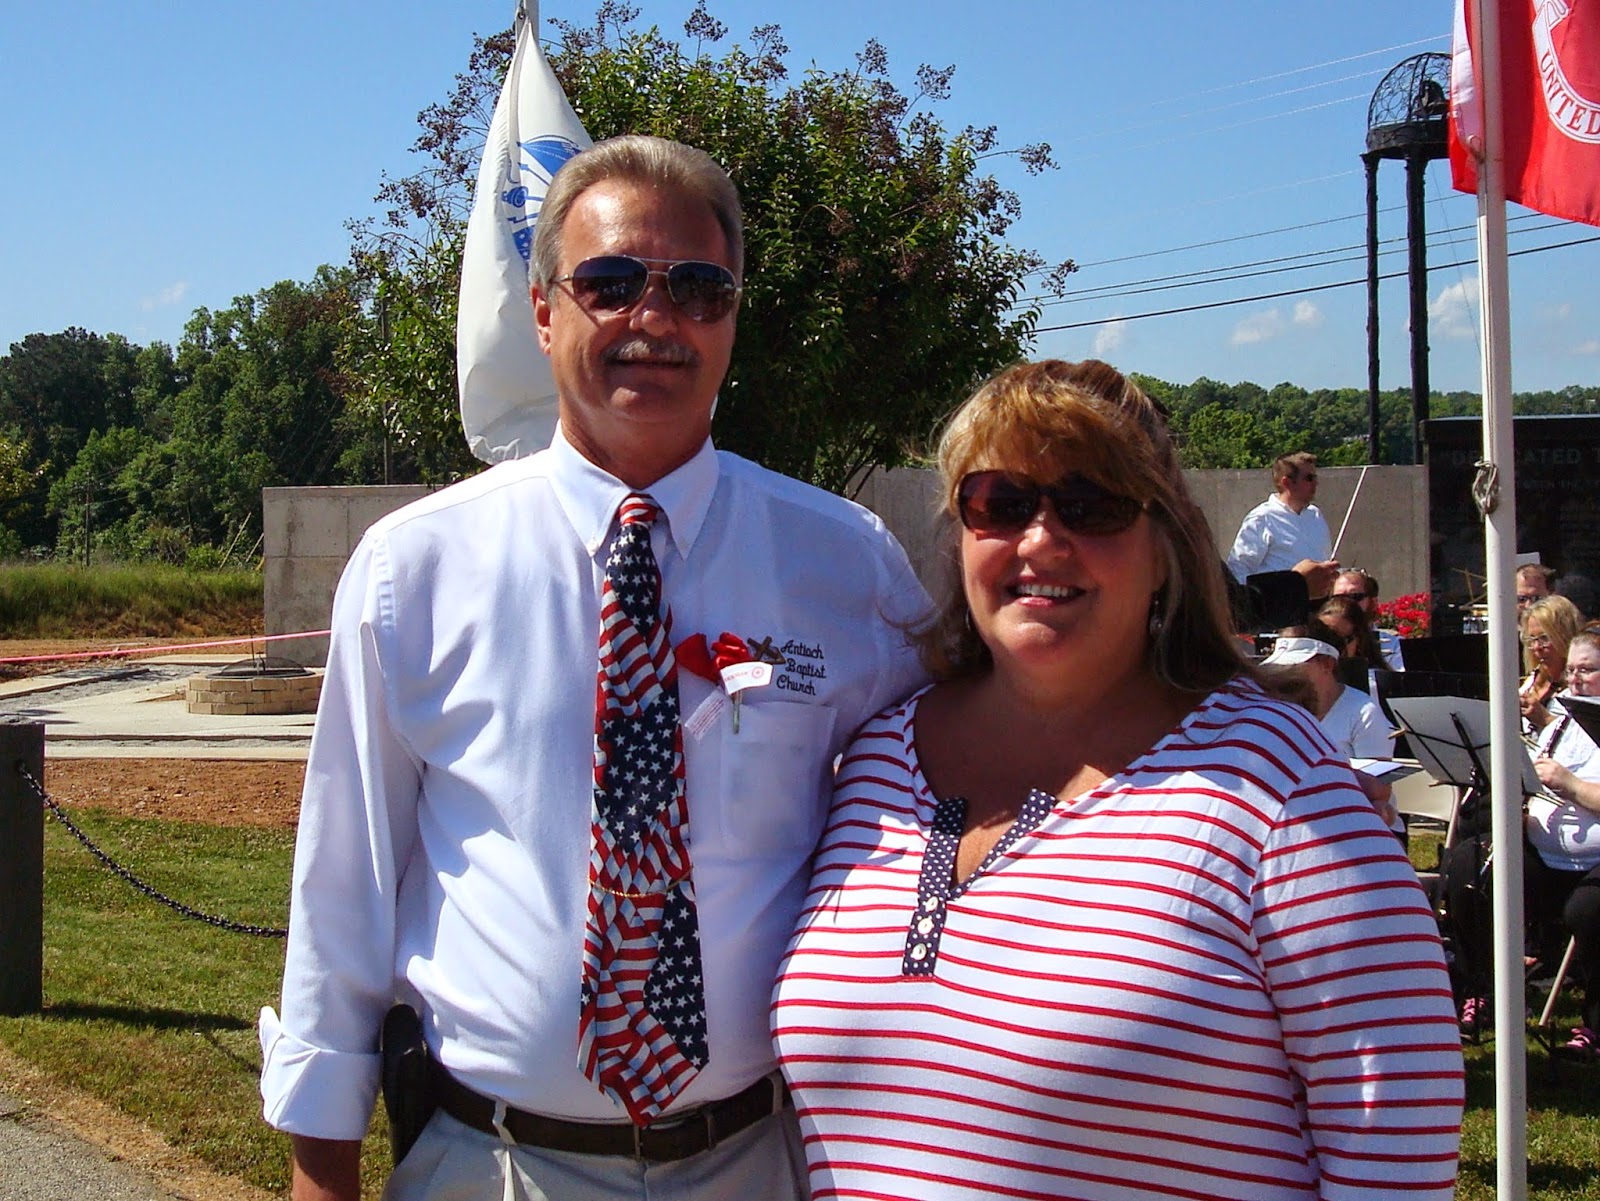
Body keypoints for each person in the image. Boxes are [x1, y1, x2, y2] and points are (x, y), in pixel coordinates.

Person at [259, 136, 930, 1201]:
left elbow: (938, 820)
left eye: (697, 287)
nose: (653, 320)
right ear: (542, 312)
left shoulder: (847, 565)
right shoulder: (414, 569)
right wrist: (320, 1165)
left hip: (761, 1162)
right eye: (609, 283)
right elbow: (344, 882)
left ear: (732, 316)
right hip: (490, 1164)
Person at [772, 360, 1463, 1200]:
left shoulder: (1280, 790)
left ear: (1167, 551)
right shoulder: (872, 758)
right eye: (1000, 501)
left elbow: (1396, 1153)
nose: (1039, 539)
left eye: (1091, 504)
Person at [1446, 631, 1600, 1049]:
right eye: (1571, 670)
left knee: (1589, 910)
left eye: (1587, 670)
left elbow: (1571, 786)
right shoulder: (1561, 724)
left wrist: (1569, 785)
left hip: (1593, 864)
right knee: (1467, 871)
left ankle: (1595, 1022)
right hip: (1544, 852)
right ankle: (1486, 988)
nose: (1575, 679)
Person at [1263, 621, 1403, 838]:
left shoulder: (1363, 710)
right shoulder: (1281, 711)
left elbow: (1380, 790)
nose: (1286, 673)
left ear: (1327, 664)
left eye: (1295, 666)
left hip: (1362, 827)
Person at [1225, 451, 1336, 584]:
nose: (1316, 484)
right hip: (1277, 602)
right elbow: (1238, 571)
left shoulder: (1316, 515)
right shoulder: (1262, 518)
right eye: (1309, 478)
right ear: (1287, 483)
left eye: (1315, 478)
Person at [1521, 595, 1583, 736]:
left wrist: (1546, 719)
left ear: (1565, 636)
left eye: (1544, 638)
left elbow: (1586, 742)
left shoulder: (1581, 686)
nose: (1537, 647)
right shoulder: (1532, 680)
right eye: (1532, 639)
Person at [1332, 567, 1405, 670]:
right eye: (1338, 598)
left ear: (1373, 602)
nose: (1346, 604)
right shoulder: (1321, 645)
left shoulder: (1395, 645)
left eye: (1355, 597)